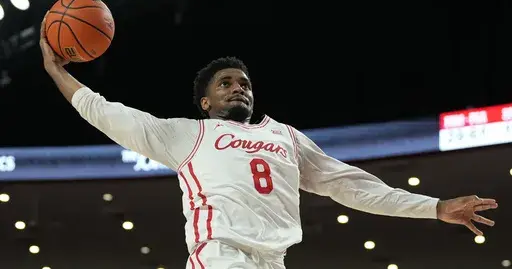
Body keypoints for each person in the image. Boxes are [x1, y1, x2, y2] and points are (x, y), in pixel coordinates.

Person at [39, 16, 497, 269]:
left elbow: (354, 186)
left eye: (245, 83)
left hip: (273, 261)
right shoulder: (187, 135)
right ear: (205, 100)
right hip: (220, 256)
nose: (239, 87)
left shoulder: (286, 137)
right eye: (226, 83)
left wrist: (434, 207)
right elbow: (105, 111)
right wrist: (57, 70)